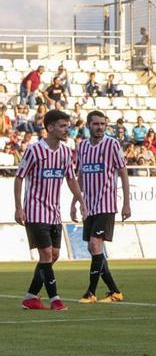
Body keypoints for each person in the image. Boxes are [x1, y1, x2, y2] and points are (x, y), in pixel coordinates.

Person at [16, 109, 87, 311]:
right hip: (35, 211)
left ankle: (31, 296)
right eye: (63, 126)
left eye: (67, 126)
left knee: (53, 255)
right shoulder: (34, 150)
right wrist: (19, 207)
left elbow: (71, 179)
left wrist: (81, 201)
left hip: (54, 213)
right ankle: (55, 299)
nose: (67, 129)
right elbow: (19, 177)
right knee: (46, 254)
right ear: (50, 128)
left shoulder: (65, 152)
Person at [75, 111, 130, 303]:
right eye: (96, 124)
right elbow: (81, 175)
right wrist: (76, 200)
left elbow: (123, 173)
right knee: (94, 250)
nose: (100, 127)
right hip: (89, 205)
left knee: (94, 244)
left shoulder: (112, 144)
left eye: (103, 124)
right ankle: (115, 291)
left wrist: (126, 203)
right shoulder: (82, 147)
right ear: (88, 125)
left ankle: (90, 292)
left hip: (106, 204)